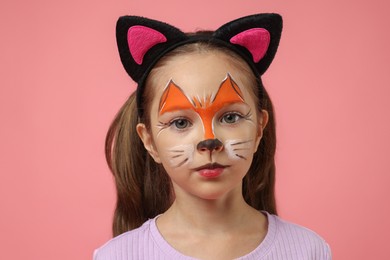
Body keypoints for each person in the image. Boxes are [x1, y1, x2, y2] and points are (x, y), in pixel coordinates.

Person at [94, 13, 331, 259]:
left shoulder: (308, 250)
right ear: (150, 141)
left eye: (230, 117)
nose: (209, 141)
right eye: (180, 122)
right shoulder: (118, 256)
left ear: (260, 128)